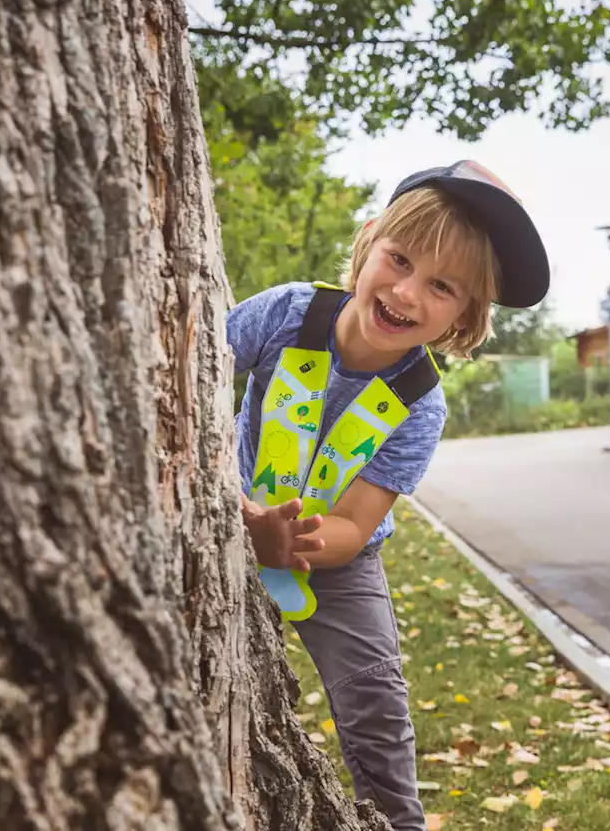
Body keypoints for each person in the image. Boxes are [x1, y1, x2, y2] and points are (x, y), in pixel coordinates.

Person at [225, 160, 549, 831]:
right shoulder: (287, 313)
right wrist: (243, 518)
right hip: (222, 520)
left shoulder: (419, 405)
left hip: (335, 561)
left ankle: (397, 820)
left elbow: (355, 519)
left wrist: (295, 540)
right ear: (368, 241)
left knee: (376, 697)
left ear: (467, 314)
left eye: (442, 286)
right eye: (399, 260)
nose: (407, 292)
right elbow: (188, 371)